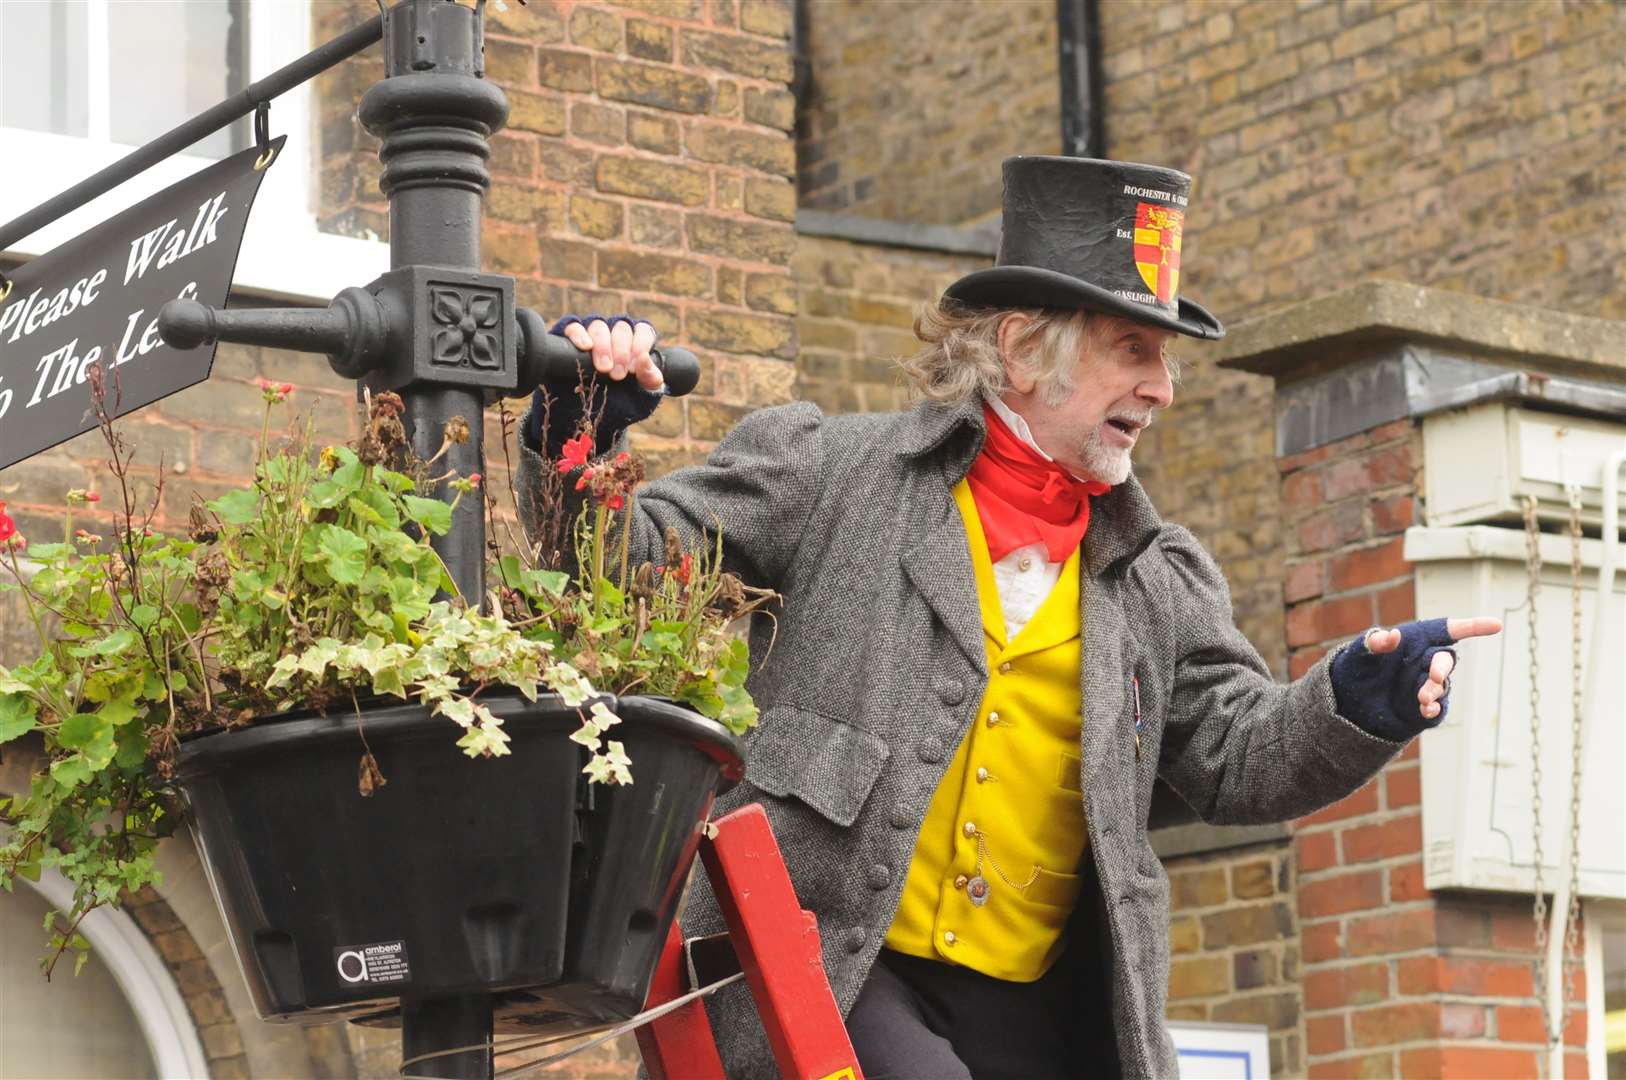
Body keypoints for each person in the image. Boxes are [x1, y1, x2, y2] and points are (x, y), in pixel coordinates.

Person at [517, 156, 1501, 1079]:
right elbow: (615, 566)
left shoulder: (1159, 578)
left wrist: (1349, 702)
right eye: (1134, 351)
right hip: (830, 962)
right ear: (1025, 349)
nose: (1162, 388)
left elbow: (1237, 755)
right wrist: (580, 435)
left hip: (1039, 1008)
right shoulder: (831, 474)